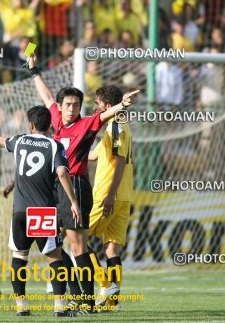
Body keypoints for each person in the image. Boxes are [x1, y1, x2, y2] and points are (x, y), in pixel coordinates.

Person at [27, 54, 138, 312]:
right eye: (68, 104)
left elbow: (105, 116)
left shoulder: (86, 124)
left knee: (79, 247)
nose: (72, 108)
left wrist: (121, 105)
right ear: (61, 106)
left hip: (76, 187)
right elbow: (46, 97)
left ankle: (87, 300)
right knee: (50, 243)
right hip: (53, 189)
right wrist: (34, 71)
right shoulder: (56, 121)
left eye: (76, 104)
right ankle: (80, 292)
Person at [0, 106, 81, 317]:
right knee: (54, 258)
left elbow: (2, 140)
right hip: (42, 211)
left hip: (20, 211)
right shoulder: (55, 145)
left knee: (19, 257)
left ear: (31, 125)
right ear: (49, 125)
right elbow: (62, 173)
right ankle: (60, 306)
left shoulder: (21, 141)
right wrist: (73, 201)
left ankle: (21, 305)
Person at [87, 86, 133, 308]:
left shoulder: (116, 125)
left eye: (97, 102)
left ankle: (105, 285)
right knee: (111, 248)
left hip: (108, 194)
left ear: (107, 105)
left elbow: (120, 160)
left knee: (77, 237)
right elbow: (94, 155)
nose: (95, 106)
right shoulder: (116, 126)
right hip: (123, 195)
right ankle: (113, 302)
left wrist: (110, 194)